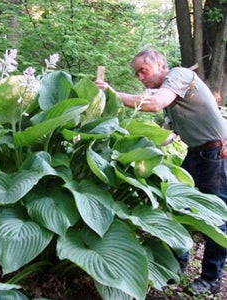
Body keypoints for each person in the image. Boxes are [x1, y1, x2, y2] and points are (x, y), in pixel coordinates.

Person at [95, 49, 227, 295]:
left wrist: (113, 94)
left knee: (216, 218)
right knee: (176, 206)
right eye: (137, 75)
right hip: (197, 153)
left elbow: (155, 104)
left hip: (216, 153)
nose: (141, 78)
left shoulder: (179, 75)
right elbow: (166, 138)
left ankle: (211, 278)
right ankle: (176, 265)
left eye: (143, 71)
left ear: (158, 64)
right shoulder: (173, 99)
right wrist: (131, 147)